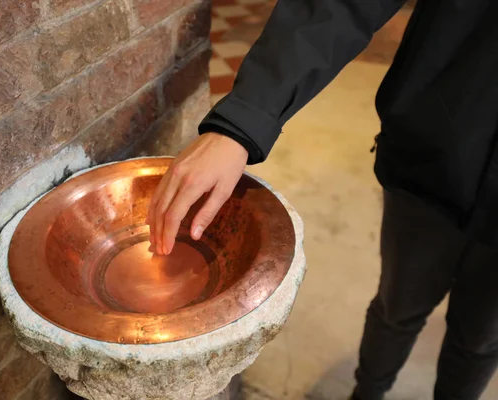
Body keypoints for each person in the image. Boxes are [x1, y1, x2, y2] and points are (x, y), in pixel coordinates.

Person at [146, 0, 498, 399]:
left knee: (481, 340)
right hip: (431, 155)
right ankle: (367, 392)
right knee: (397, 308)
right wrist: (242, 121)